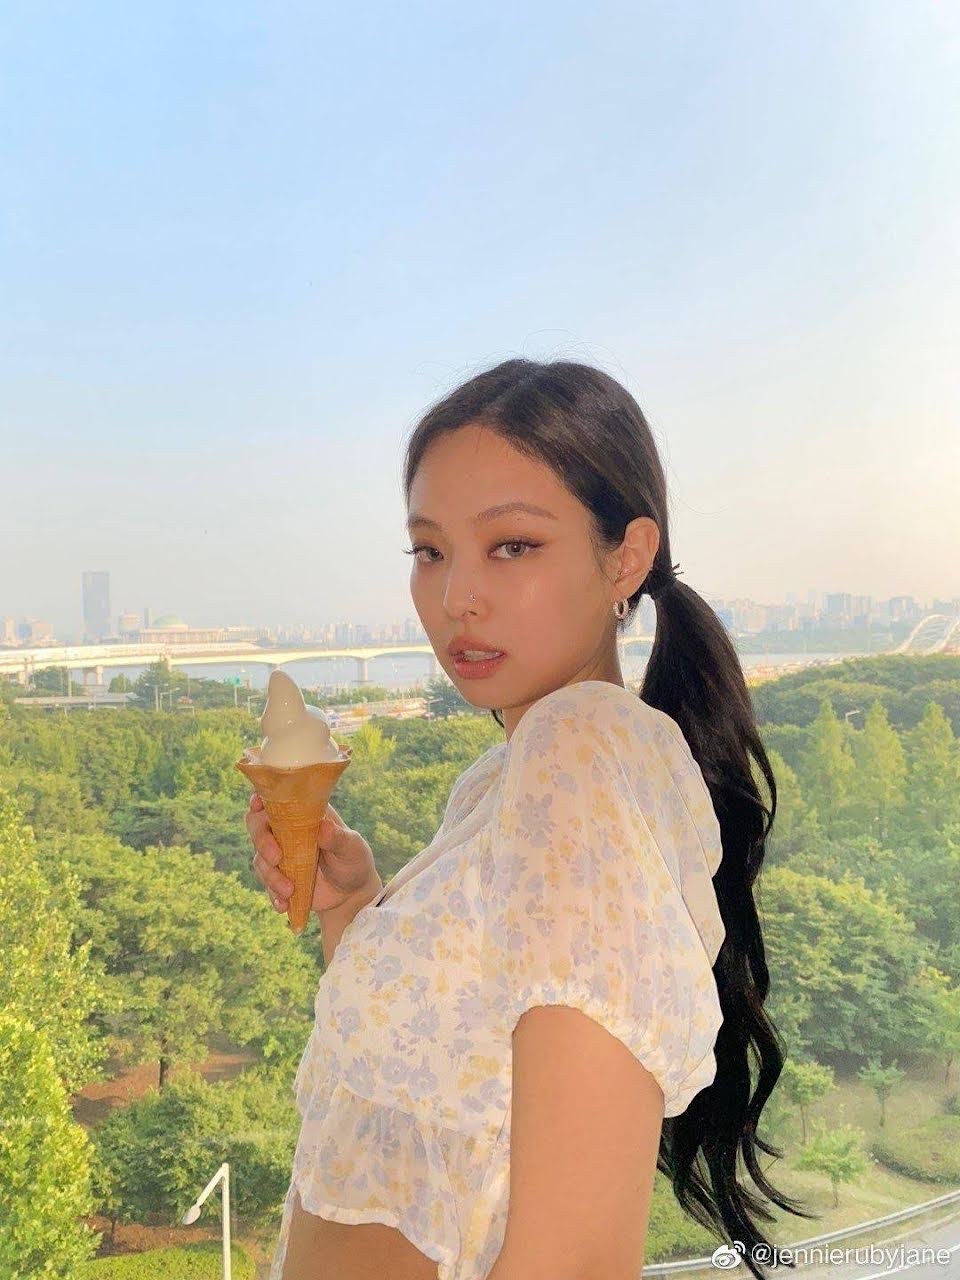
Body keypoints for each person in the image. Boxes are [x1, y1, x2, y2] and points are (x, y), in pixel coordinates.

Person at [248, 359, 814, 1280]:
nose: (455, 598)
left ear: (625, 556)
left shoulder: (578, 750)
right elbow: (429, 1096)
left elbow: (576, 1260)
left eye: (511, 546)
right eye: (430, 552)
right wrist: (354, 905)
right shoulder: (501, 781)